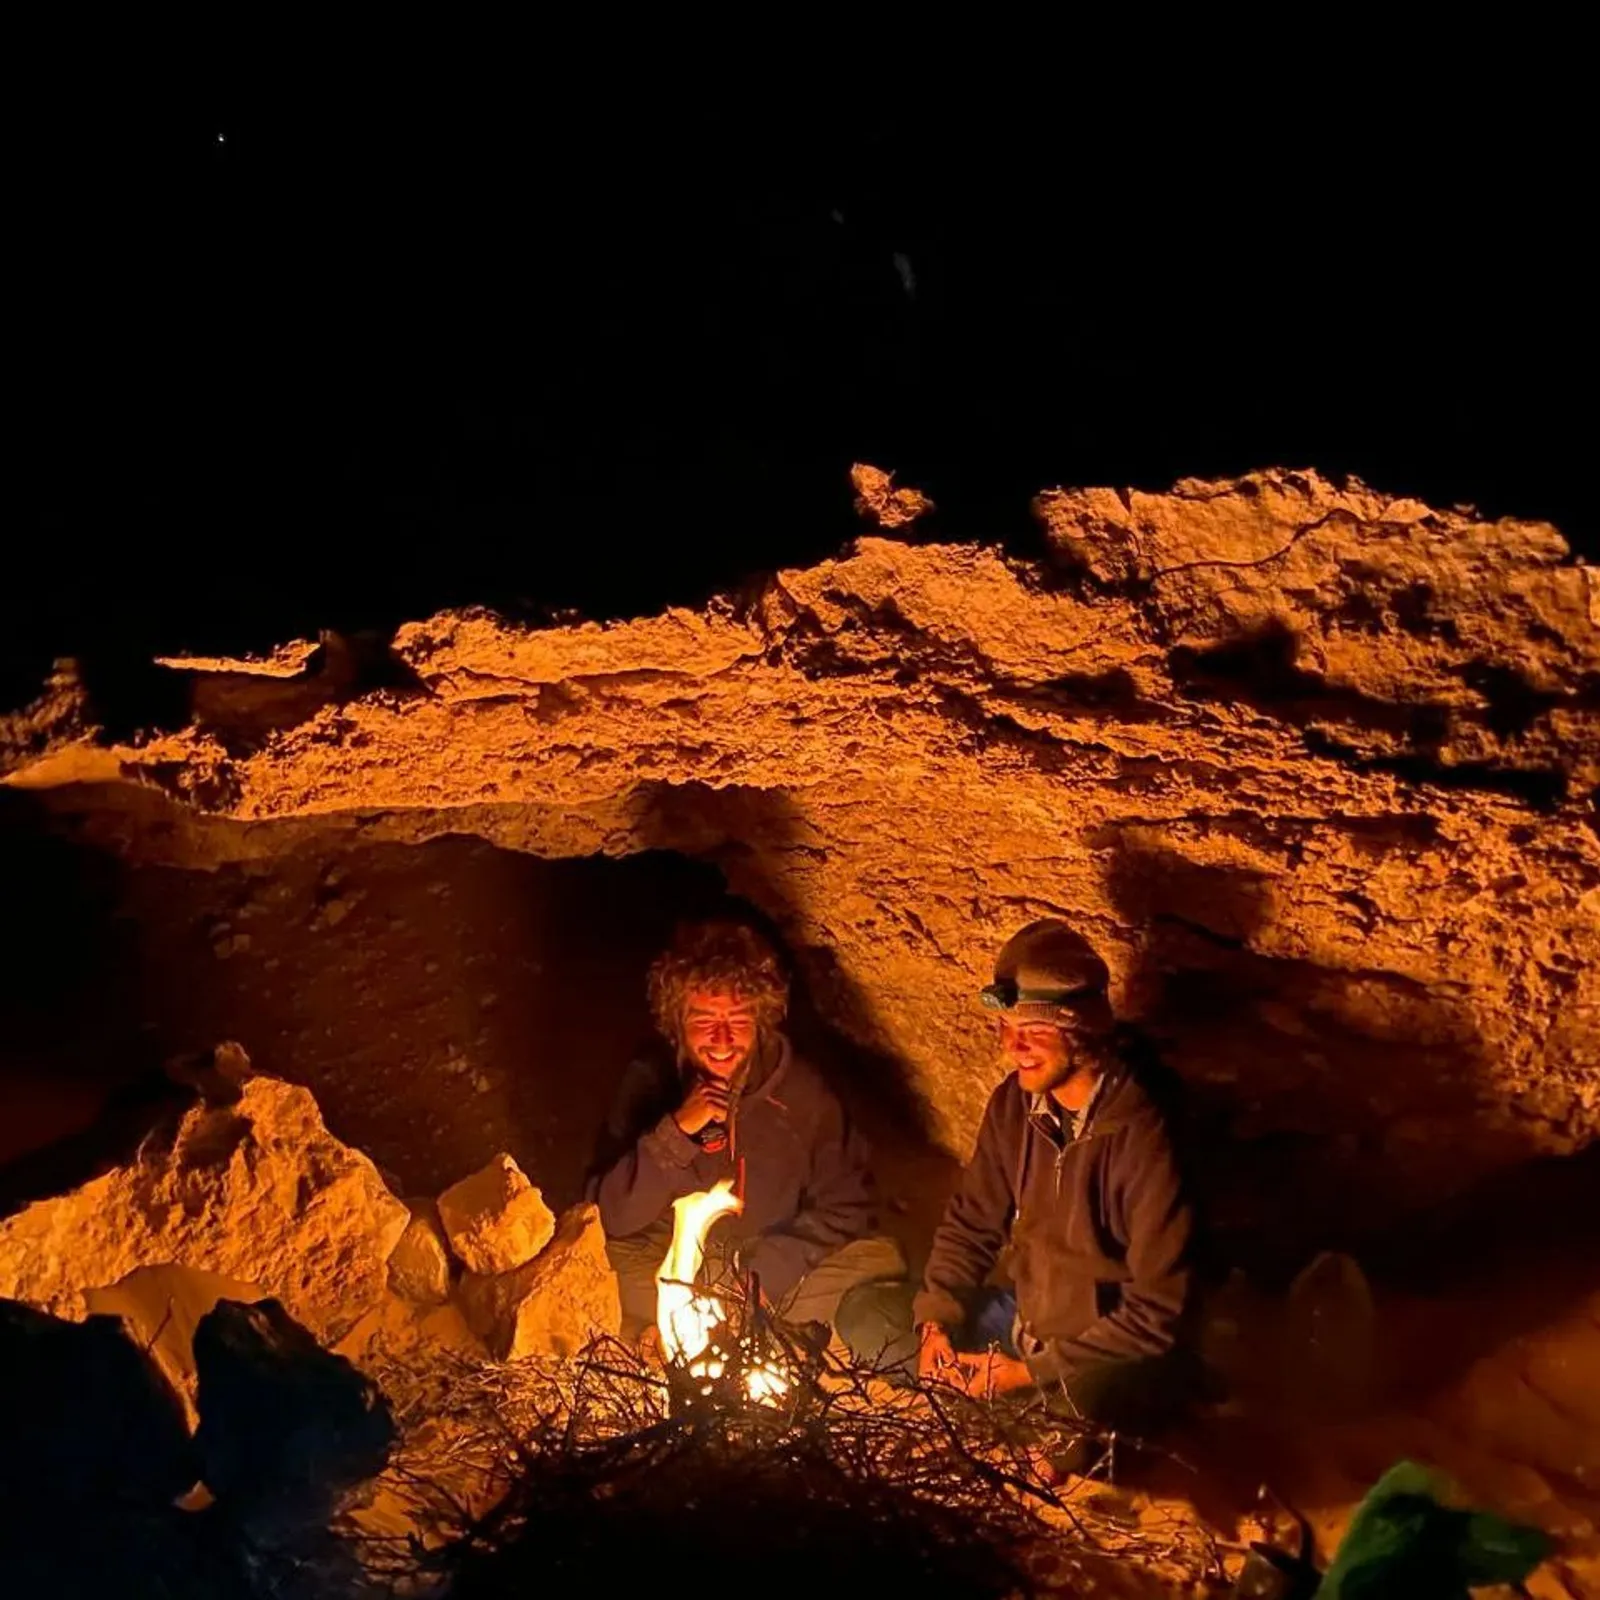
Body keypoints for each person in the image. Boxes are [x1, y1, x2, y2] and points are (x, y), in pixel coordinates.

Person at [899, 919, 1196, 1438]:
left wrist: (1024, 1374)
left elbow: (1155, 1312)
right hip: (1026, 1321)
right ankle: (1019, 1412)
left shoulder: (1144, 1130)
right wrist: (936, 1326)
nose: (1013, 1049)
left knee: (1075, 1429)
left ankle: (1045, 1422)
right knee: (874, 1322)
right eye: (1007, 1030)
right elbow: (971, 1225)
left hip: (1104, 1350)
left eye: (1033, 1033)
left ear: (1080, 1033)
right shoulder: (1013, 1106)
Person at [587, 917, 907, 1356]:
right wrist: (677, 1131)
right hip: (675, 1265)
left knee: (875, 1265)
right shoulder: (650, 1080)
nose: (722, 1039)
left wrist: (765, 1275)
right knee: (593, 1266)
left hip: (769, 1265)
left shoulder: (801, 1094)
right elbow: (612, 1216)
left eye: (738, 1019)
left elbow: (847, 1204)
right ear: (677, 1022)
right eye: (704, 1020)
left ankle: (717, 1327)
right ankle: (702, 1327)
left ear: (762, 1021)